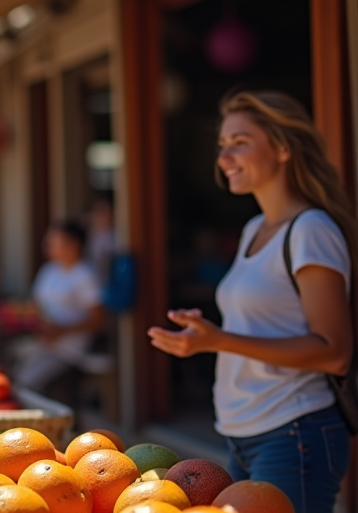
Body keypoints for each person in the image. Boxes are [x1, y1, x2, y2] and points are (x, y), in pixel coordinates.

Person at [149, 91, 353, 512]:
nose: (225, 157)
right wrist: (205, 335)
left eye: (239, 142)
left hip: (293, 434)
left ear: (282, 147)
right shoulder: (255, 228)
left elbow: (335, 353)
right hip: (244, 433)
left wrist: (219, 340)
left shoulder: (310, 229)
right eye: (223, 146)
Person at [14, 220, 107, 392]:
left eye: (54, 241)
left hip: (68, 349)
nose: (47, 246)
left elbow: (98, 319)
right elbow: (34, 306)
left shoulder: (85, 275)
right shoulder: (49, 270)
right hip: (42, 342)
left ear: (73, 245)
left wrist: (61, 330)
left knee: (25, 384)